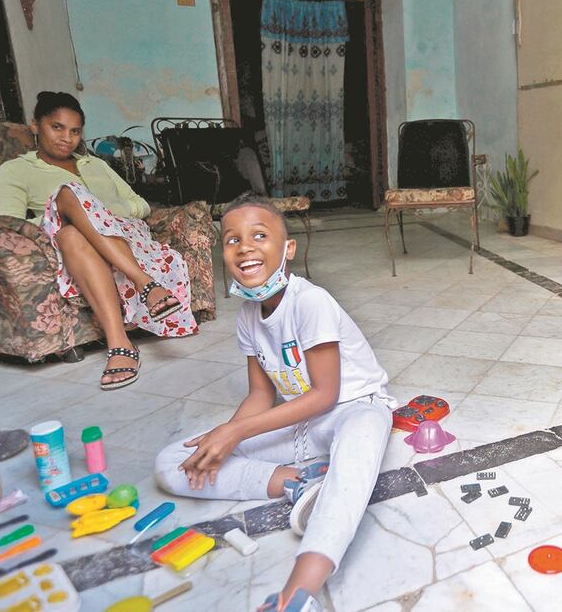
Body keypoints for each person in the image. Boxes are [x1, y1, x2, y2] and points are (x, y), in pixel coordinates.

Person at [154, 194, 395, 612]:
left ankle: (298, 592)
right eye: (232, 240)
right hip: (304, 422)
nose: (245, 246)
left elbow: (326, 393)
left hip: (356, 408)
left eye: (259, 235)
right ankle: (297, 483)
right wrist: (223, 437)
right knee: (175, 462)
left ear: (288, 249)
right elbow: (261, 395)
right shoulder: (248, 314)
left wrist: (237, 432)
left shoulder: (311, 301)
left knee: (353, 467)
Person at [0, 91, 195, 390]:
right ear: (36, 126)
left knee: (76, 208)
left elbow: (141, 205)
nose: (66, 138)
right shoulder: (15, 171)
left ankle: (131, 319)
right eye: (56, 127)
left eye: (74, 131)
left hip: (126, 237)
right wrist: (71, 214)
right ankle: (136, 308)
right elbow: (9, 225)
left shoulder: (96, 165)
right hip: (71, 244)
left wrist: (101, 214)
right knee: (68, 211)